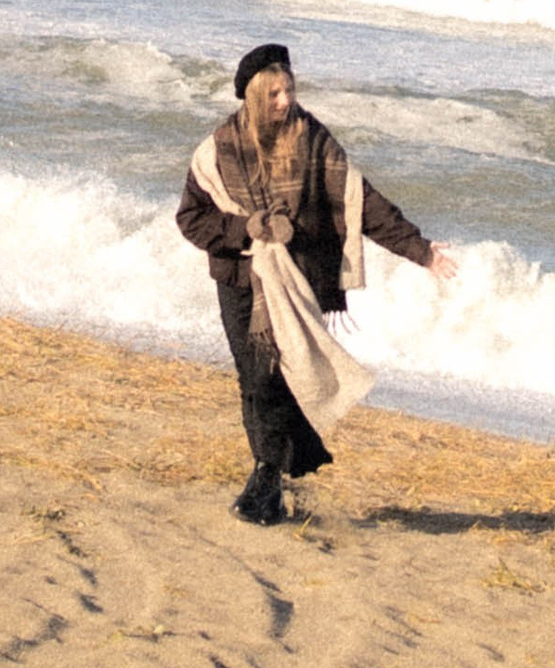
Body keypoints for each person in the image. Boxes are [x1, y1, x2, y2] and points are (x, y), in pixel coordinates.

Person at [176, 42, 457, 523]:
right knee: (255, 380)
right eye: (274, 94)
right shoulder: (218, 150)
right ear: (254, 96)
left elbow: (361, 201)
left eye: (289, 90)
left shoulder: (313, 140)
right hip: (240, 280)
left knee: (276, 380)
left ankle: (267, 478)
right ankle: (271, 476)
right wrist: (245, 228)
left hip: (298, 279)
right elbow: (191, 219)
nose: (285, 101)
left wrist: (421, 250)